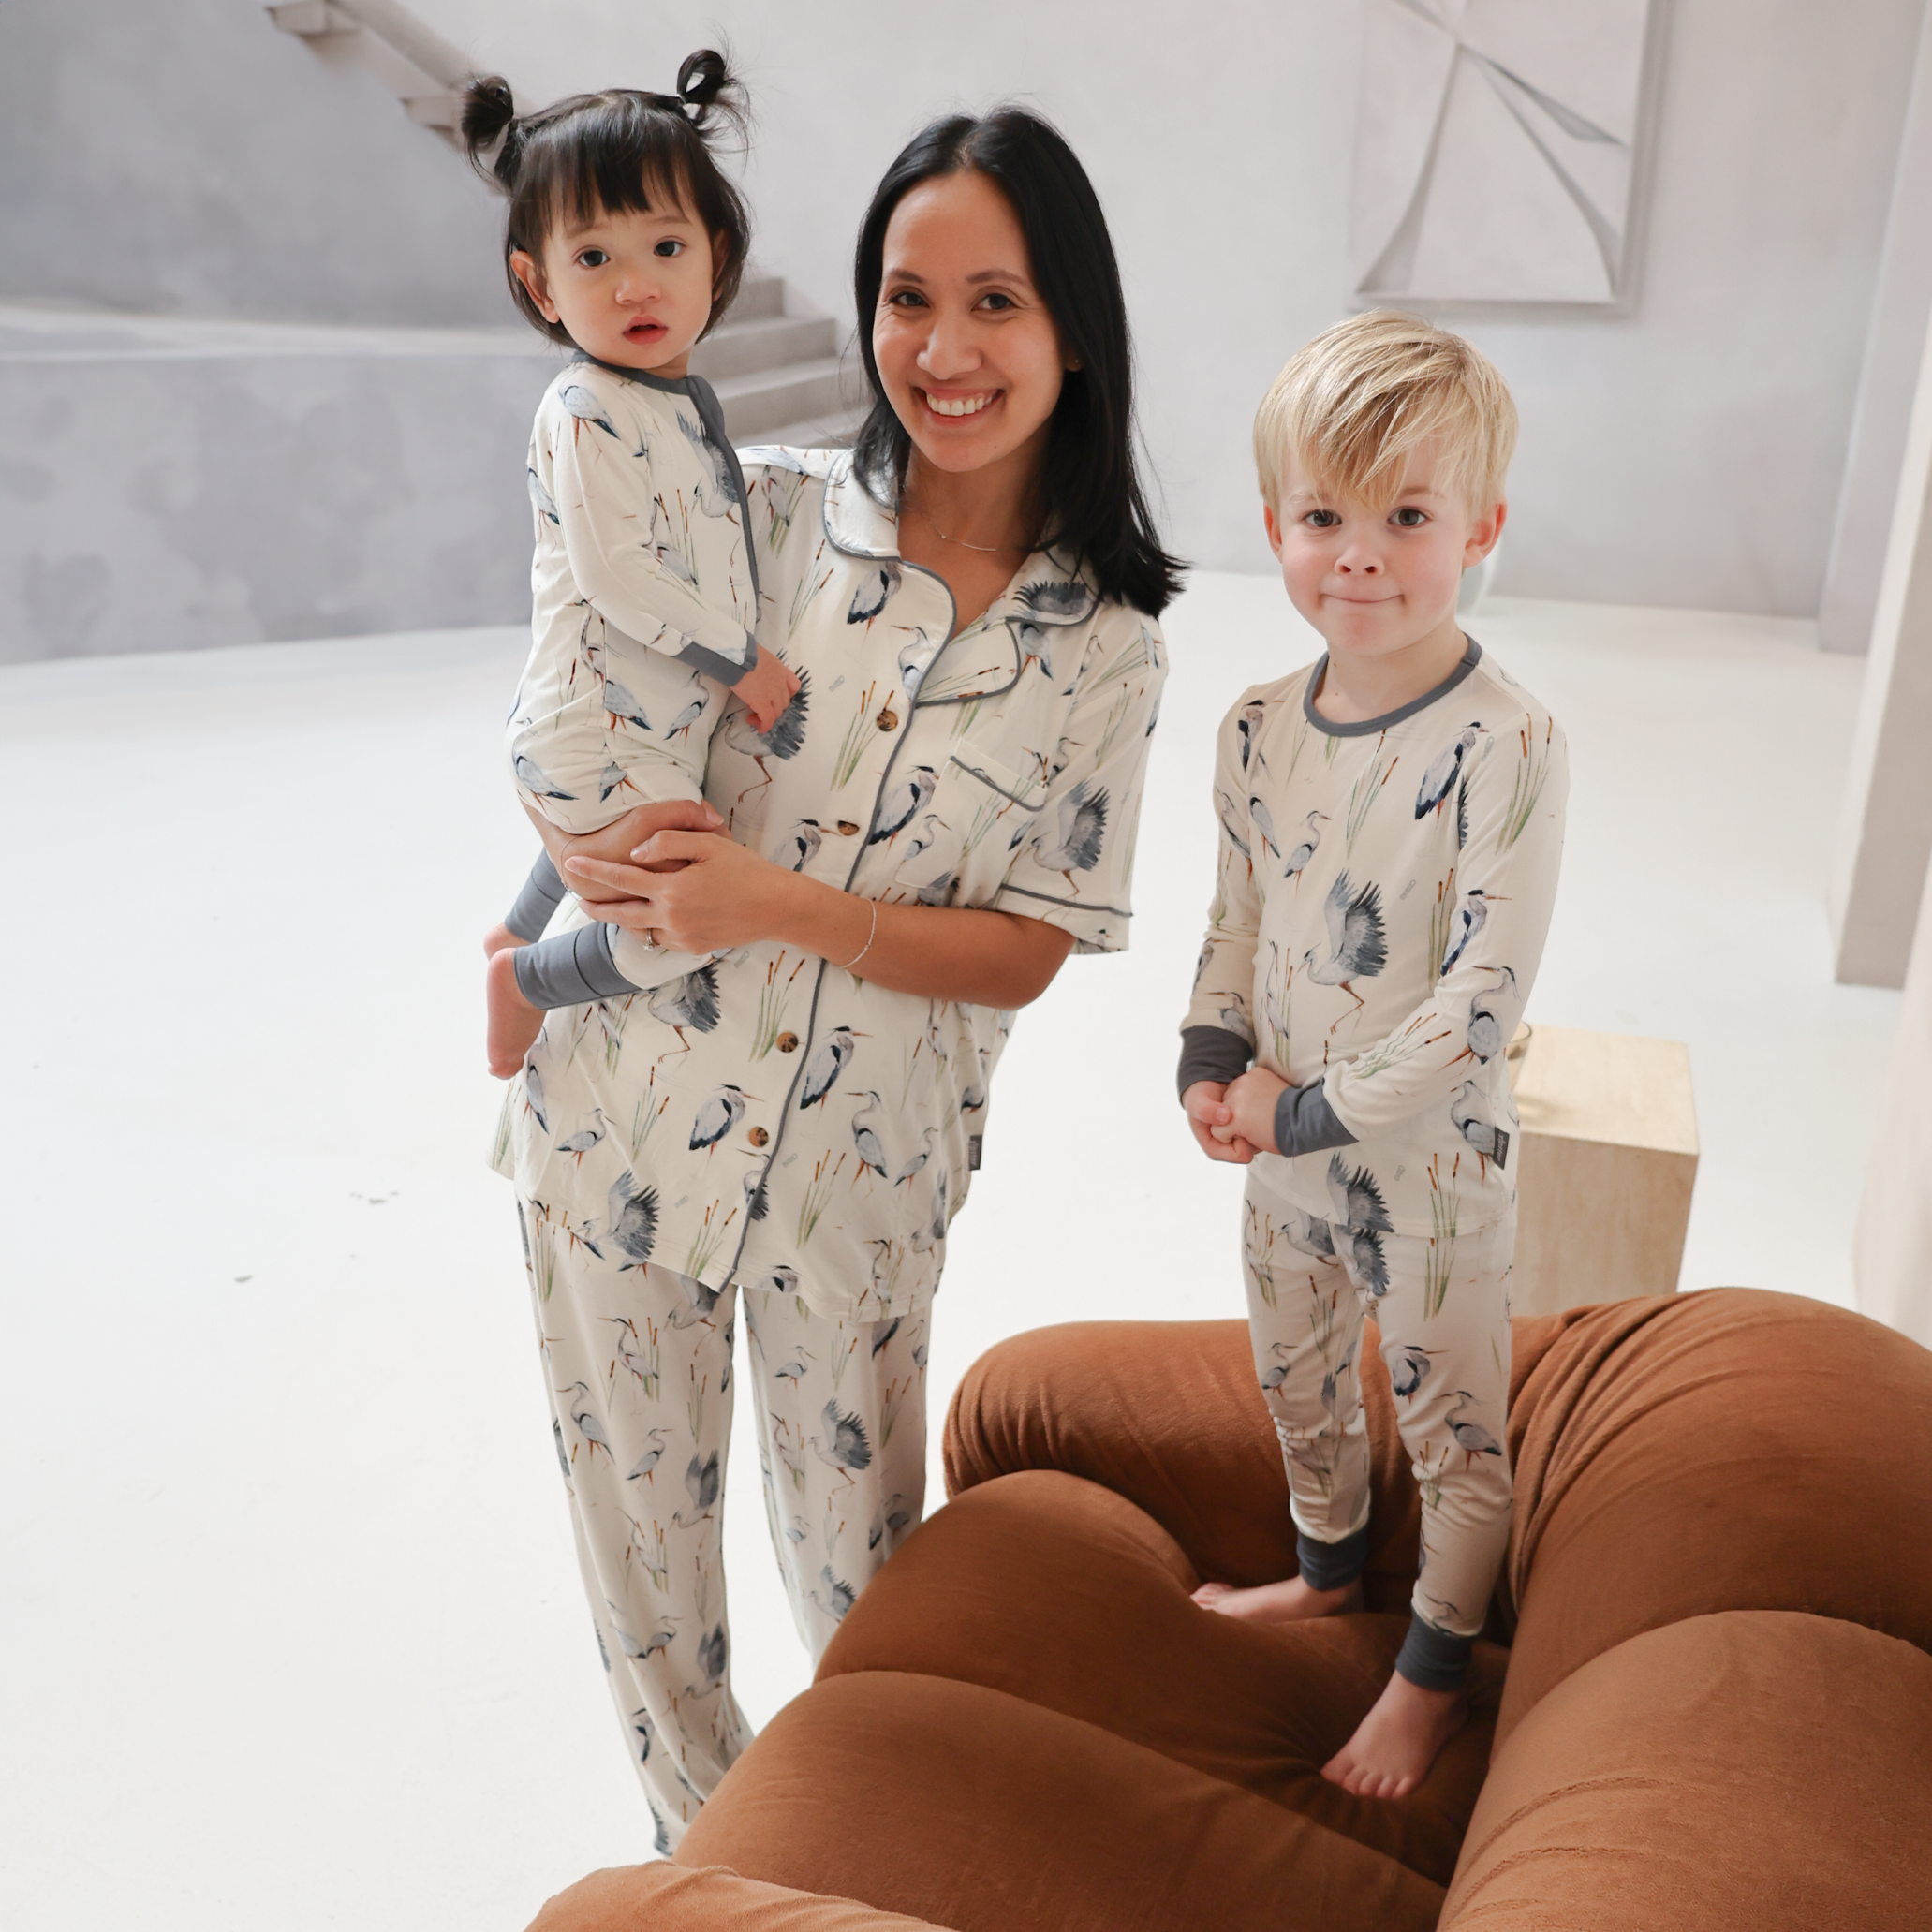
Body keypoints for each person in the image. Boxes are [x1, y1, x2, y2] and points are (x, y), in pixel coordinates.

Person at [490, 105, 1180, 1851]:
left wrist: (774, 905)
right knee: (651, 1606)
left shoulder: (1103, 647)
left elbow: (1029, 947)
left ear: (1073, 325)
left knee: (866, 1593)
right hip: (619, 1134)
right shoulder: (765, 517)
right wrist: (542, 884)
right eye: (905, 297)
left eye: (996, 301)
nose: (942, 351)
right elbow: (600, 696)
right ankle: (719, 1875)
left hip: (854, 1190)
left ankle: (871, 1853)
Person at [1179, 311, 1567, 1798]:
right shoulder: (1252, 728)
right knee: (1293, 1377)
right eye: (1322, 517)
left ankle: (1431, 1673)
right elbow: (1234, 916)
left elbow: (1480, 999)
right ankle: (1328, 1573)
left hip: (1423, 1168)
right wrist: (1209, 1055)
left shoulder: (1505, 743)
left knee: (1452, 1422)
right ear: (1272, 523)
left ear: (1479, 528)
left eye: (1405, 517)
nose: (1357, 556)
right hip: (1278, 1152)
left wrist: (1302, 1111)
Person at [461, 55, 804, 1079]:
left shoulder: (676, 404)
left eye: (665, 246)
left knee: (628, 857)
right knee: (678, 919)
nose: (636, 282)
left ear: (716, 255)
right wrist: (741, 659)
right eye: (594, 256)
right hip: (591, 727)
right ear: (540, 284)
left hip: (633, 725)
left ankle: (519, 925)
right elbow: (617, 572)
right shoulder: (583, 407)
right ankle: (525, 978)